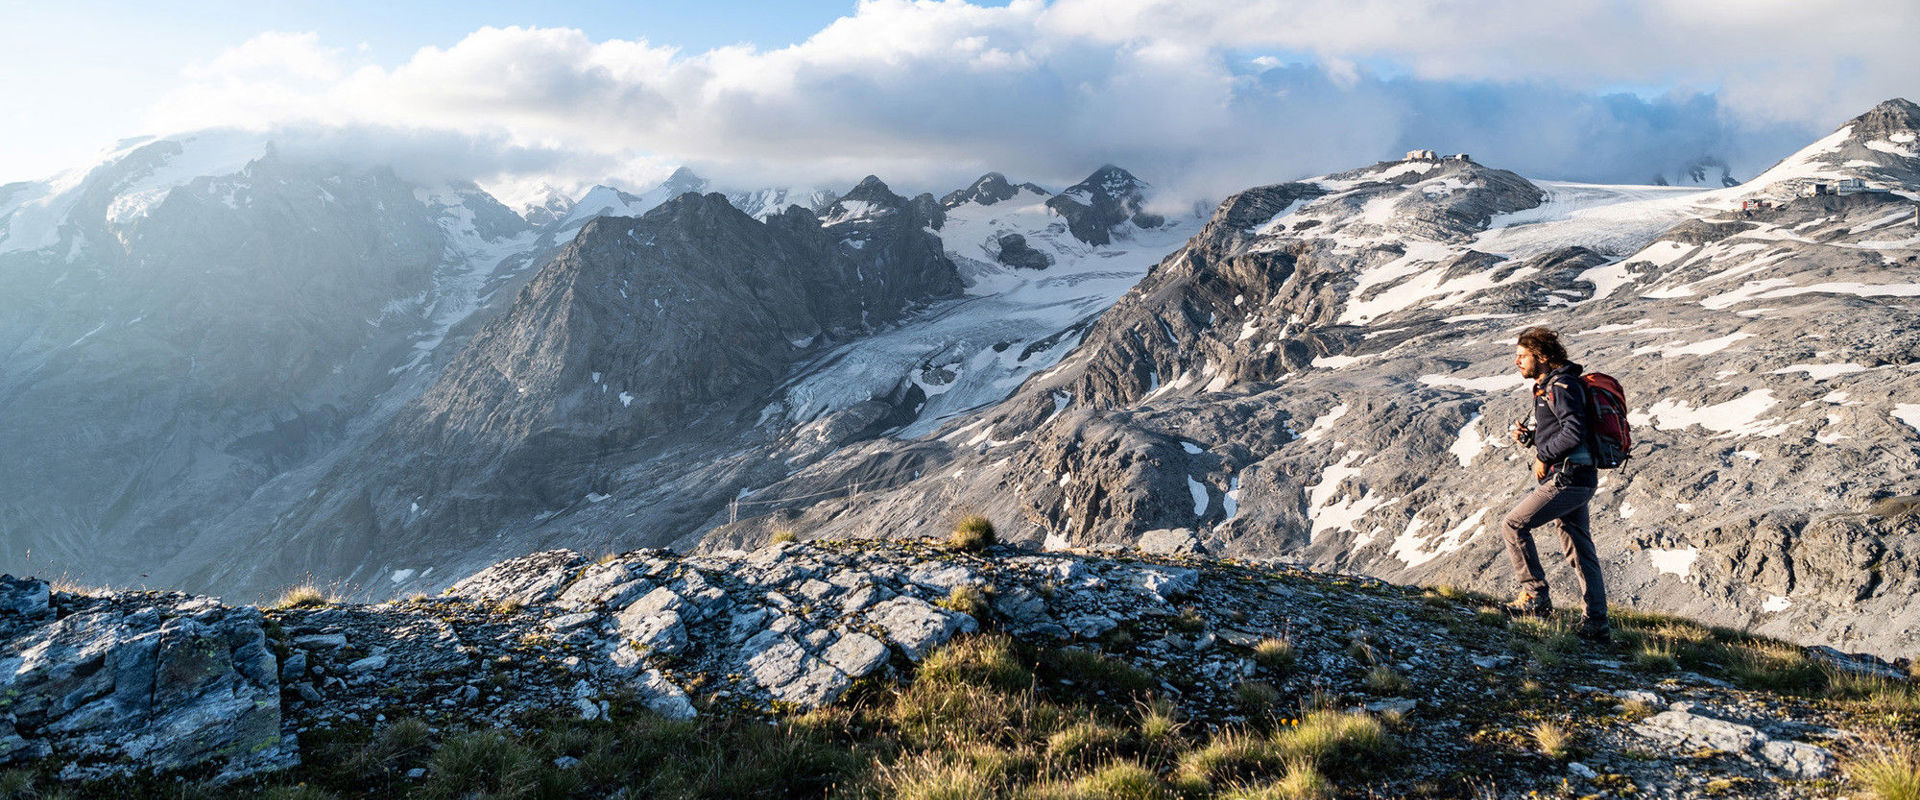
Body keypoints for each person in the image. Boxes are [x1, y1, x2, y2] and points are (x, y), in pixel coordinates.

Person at [1502, 327, 1609, 642]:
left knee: (1513, 525)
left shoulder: (1560, 386)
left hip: (1568, 478)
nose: (1517, 361)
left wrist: (1543, 456)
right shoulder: (1554, 385)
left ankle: (1535, 597)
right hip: (1576, 476)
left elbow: (1574, 431)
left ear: (1543, 357)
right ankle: (1596, 623)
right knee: (1579, 548)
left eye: (1523, 356)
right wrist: (1531, 439)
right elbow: (1565, 430)